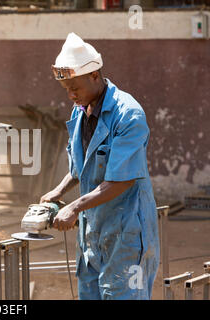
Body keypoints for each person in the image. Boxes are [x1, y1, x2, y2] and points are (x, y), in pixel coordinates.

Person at [41, 33, 159, 299]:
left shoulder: (128, 115)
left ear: (94, 75)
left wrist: (73, 206)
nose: (71, 95)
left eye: (76, 88)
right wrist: (58, 192)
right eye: (66, 90)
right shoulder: (80, 109)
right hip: (92, 232)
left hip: (127, 230)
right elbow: (79, 166)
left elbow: (121, 180)